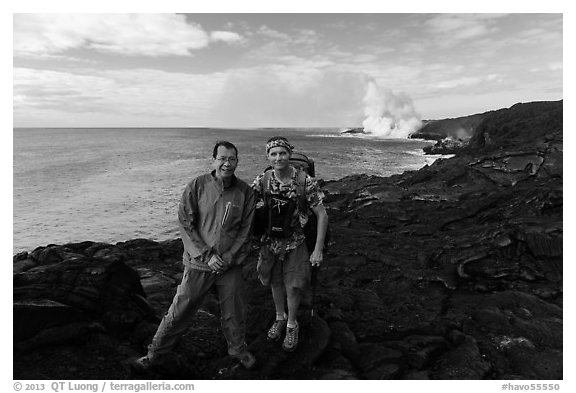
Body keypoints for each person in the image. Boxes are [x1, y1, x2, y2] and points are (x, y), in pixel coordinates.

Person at [133, 140, 257, 371]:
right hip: (200, 264)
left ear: (237, 161)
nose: (227, 164)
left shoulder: (245, 192)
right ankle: (155, 353)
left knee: (234, 311)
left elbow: (245, 231)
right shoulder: (198, 185)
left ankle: (238, 349)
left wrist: (228, 258)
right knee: (180, 310)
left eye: (232, 159)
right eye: (222, 158)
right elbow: (186, 224)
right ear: (213, 160)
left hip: (230, 265)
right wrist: (207, 255)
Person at [251, 136, 328, 351]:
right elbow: (246, 206)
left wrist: (318, 250)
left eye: (282, 153)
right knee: (275, 282)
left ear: (289, 154)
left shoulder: (305, 182)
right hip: (269, 242)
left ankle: (292, 324)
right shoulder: (263, 180)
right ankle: (279, 317)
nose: (278, 157)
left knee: (292, 286)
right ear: (268, 156)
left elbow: (322, 215)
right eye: (273, 154)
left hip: (296, 243)